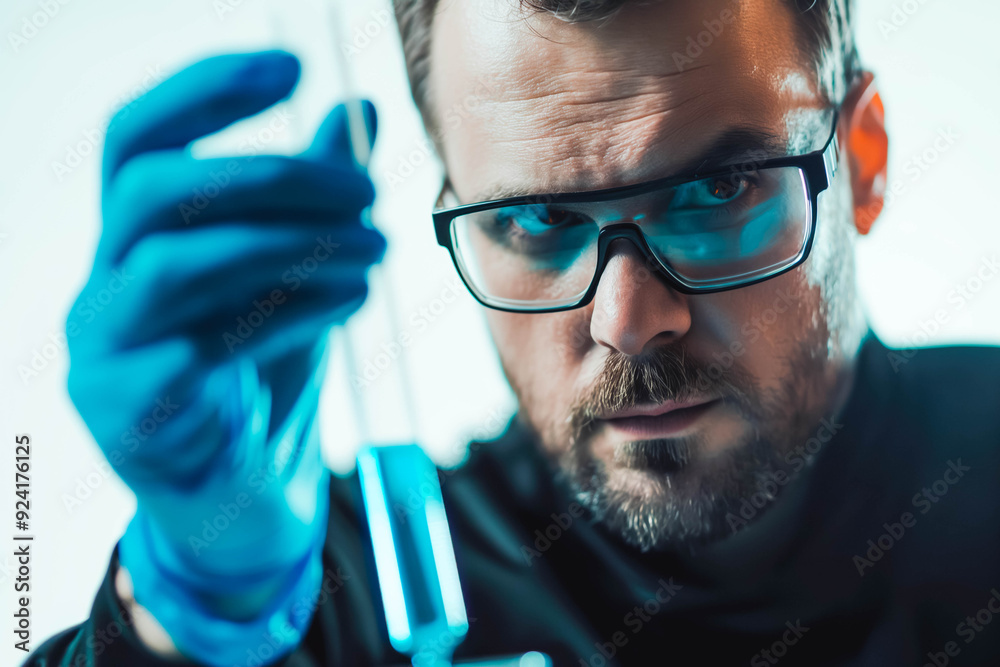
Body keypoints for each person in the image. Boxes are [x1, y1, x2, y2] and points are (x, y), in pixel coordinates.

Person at [28, 0, 1000, 665]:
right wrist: (189, 613)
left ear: (862, 159)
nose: (629, 319)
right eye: (535, 222)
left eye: (717, 191)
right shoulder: (334, 601)